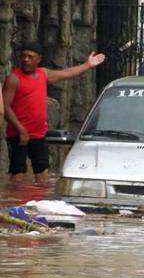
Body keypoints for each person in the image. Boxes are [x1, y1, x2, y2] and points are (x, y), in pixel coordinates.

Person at [2, 42, 105, 184]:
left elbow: (66, 73)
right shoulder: (14, 79)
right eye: (23, 56)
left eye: (30, 57)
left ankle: (38, 201)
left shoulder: (43, 74)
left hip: (38, 134)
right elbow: (5, 107)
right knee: (17, 173)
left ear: (39, 59)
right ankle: (16, 202)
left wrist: (87, 65)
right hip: (18, 135)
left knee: (42, 173)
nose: (26, 59)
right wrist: (21, 130)